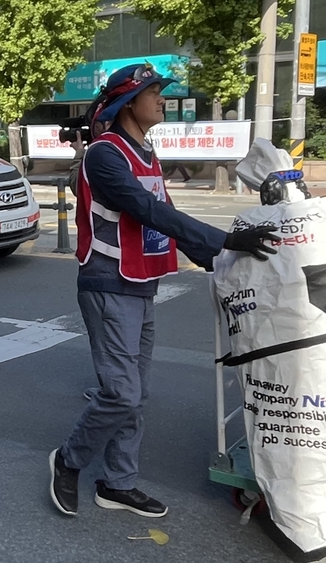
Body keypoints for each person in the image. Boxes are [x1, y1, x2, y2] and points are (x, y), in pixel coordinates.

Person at [48, 64, 277, 519]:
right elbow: (145, 209)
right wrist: (224, 239)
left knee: (136, 393)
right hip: (108, 284)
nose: (161, 99)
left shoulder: (146, 154)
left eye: (160, 91)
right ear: (128, 103)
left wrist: (222, 260)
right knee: (122, 394)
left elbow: (164, 216)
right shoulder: (105, 155)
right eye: (153, 92)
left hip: (140, 283)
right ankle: (68, 461)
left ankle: (118, 483)